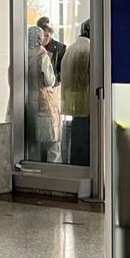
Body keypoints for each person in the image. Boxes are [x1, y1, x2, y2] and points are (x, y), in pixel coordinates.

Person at [26, 25, 61, 163]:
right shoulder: (42, 55)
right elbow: (49, 80)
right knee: (51, 139)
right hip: (43, 102)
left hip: (26, 102)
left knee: (32, 140)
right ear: (39, 38)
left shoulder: (21, 55)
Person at [61, 19, 91, 165]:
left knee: (76, 141)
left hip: (71, 101)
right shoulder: (90, 49)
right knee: (86, 145)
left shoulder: (70, 49)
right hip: (87, 102)